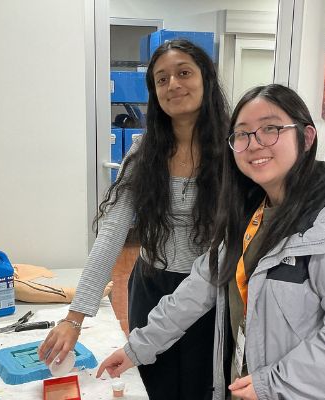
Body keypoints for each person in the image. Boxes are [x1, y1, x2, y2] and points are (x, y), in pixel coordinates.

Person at [96, 84, 325, 400]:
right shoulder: (249, 215)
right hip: (250, 387)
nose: (254, 144)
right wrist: (136, 348)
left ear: (306, 138)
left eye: (270, 129)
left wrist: (273, 384)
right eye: (242, 134)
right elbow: (197, 291)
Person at [38, 39, 229, 400]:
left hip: (210, 294)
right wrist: (74, 318)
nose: (173, 84)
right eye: (161, 79)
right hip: (151, 287)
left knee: (202, 387)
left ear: (205, 78)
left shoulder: (235, 152)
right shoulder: (145, 151)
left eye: (184, 72)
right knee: (154, 385)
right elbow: (112, 230)